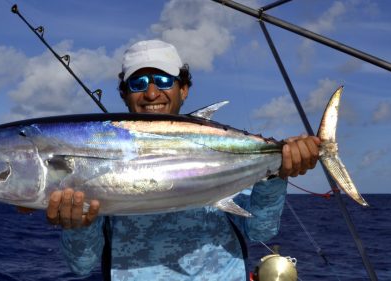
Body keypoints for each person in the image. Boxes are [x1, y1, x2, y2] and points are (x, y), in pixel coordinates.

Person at [46, 40, 320, 280]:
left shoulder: (223, 150)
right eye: (138, 83)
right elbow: (82, 266)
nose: (152, 93)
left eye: (164, 81)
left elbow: (260, 230)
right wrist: (77, 226)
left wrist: (276, 173)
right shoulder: (96, 158)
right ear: (125, 94)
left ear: (184, 89)